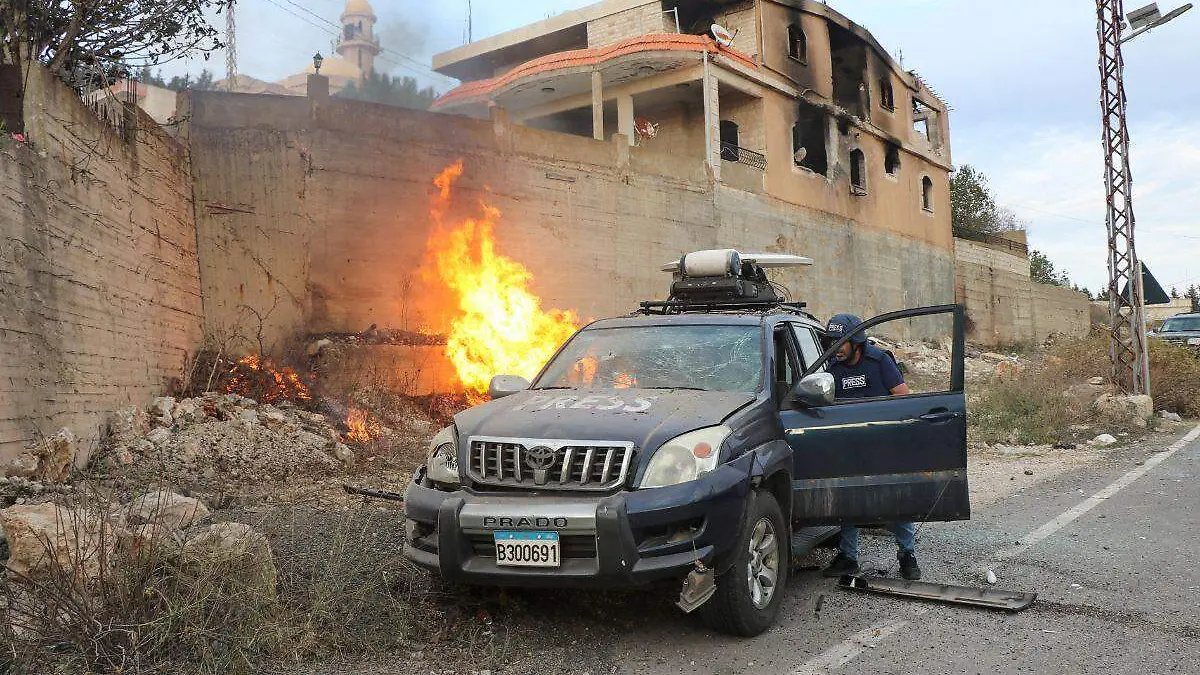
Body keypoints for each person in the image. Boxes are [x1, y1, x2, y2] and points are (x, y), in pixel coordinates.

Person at [819, 313, 921, 581]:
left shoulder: (879, 361)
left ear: (856, 342)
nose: (836, 347)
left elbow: (902, 396)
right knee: (847, 499)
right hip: (850, 446)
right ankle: (848, 557)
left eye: (841, 342)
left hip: (883, 443)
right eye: (832, 341)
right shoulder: (832, 368)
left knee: (896, 499)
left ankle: (907, 555)